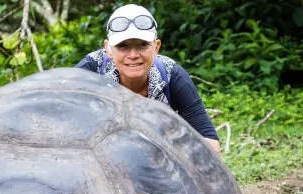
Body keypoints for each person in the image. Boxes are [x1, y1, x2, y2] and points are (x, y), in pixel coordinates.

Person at [76, 4, 221, 154]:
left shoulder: (172, 75)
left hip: (158, 157)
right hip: (98, 153)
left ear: (156, 47)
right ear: (108, 49)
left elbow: (210, 144)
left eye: (142, 45)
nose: (133, 55)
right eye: (123, 45)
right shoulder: (90, 71)